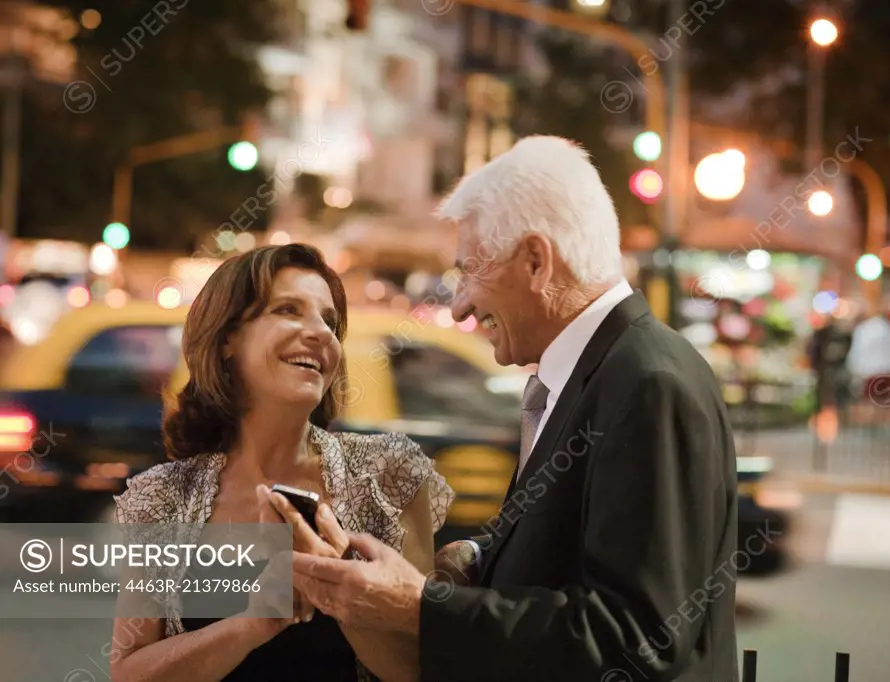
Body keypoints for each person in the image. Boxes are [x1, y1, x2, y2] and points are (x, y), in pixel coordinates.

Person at [282, 136, 740, 682]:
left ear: (535, 261)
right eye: (284, 312)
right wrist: (479, 557)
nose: (459, 306)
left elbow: (637, 638)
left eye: (469, 271)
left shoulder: (646, 383)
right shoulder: (603, 372)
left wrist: (416, 605)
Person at [108, 243, 453, 681]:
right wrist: (252, 624)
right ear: (228, 338)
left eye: (329, 322)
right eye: (289, 310)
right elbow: (129, 671)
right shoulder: (164, 497)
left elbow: (420, 670)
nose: (321, 333)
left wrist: (333, 587)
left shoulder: (390, 473)